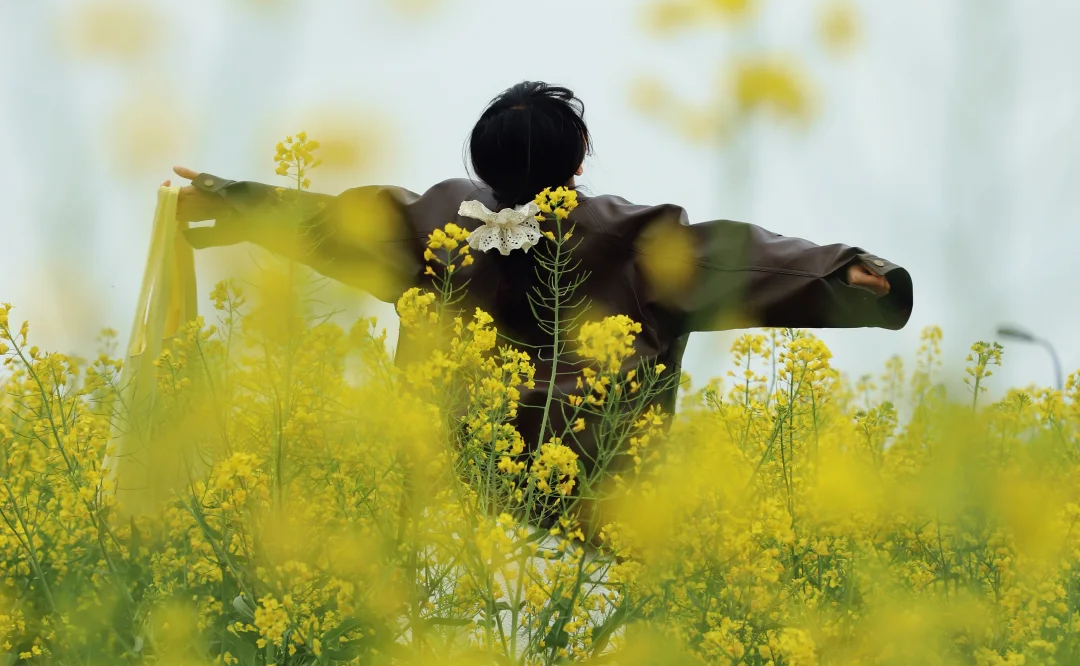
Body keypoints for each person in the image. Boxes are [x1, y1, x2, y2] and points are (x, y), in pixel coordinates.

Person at [170, 80, 911, 461]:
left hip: (451, 520)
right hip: (594, 528)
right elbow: (741, 258)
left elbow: (323, 222)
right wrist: (847, 275)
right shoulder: (636, 238)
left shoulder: (433, 221)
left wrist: (231, 199)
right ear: (578, 158)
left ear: (482, 160)